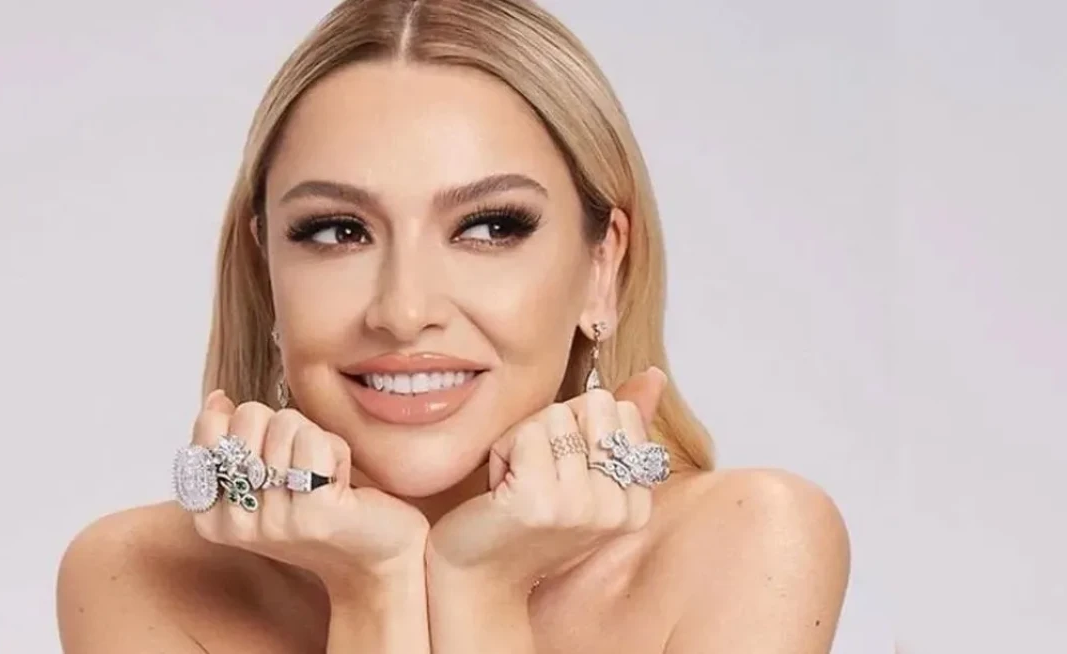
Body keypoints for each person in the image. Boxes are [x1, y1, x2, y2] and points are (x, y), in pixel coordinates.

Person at [56, 0, 851, 652]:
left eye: (490, 227)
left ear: (603, 266)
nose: (404, 311)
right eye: (338, 231)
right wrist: (372, 588)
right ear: (268, 271)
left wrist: (480, 586)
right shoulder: (140, 577)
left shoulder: (747, 543)